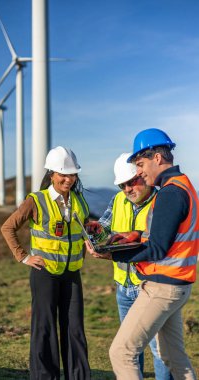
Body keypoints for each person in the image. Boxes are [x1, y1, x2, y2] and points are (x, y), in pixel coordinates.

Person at [87, 128, 199, 379]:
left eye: (140, 164)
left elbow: (158, 248)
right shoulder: (183, 185)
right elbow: (166, 236)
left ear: (157, 158)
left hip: (163, 286)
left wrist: (112, 255)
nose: (138, 172)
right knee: (174, 358)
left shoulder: (170, 193)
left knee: (121, 352)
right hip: (178, 283)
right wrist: (136, 235)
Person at [1, 146, 91, 380]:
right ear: (51, 174)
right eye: (63, 174)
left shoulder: (79, 200)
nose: (68, 179)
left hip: (72, 273)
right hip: (44, 272)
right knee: (45, 329)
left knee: (74, 329)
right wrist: (23, 256)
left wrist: (91, 242)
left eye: (72, 175)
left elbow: (84, 229)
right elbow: (8, 227)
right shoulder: (36, 200)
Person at [86, 152, 172, 380]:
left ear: (142, 175)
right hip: (123, 287)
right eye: (122, 185)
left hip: (151, 286)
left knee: (160, 351)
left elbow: (164, 240)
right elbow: (106, 228)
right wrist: (97, 231)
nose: (127, 189)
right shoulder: (117, 200)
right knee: (130, 349)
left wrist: (137, 236)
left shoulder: (162, 201)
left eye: (131, 182)